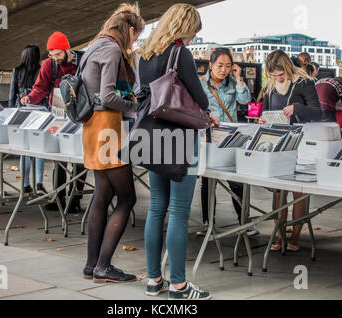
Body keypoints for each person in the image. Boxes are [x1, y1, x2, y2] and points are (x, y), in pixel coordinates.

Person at [138, 3, 211, 300]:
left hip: (152, 134)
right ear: (185, 26)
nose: (194, 37)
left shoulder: (146, 54)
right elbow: (200, 99)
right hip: (180, 136)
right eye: (194, 30)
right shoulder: (181, 54)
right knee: (179, 212)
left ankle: (153, 280)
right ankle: (179, 286)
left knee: (156, 208)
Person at [80, 3, 144, 283]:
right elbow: (107, 96)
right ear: (130, 30)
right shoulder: (112, 48)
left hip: (92, 127)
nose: (135, 41)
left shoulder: (94, 46)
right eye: (137, 36)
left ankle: (91, 264)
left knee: (102, 195)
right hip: (108, 128)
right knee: (127, 197)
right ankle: (104, 267)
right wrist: (134, 104)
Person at [259, 49, 321, 252]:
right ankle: (279, 235)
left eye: (281, 75)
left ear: (287, 68)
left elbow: (318, 113)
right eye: (274, 76)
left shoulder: (303, 83)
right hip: (279, 143)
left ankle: (295, 236)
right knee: (278, 192)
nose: (278, 78)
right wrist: (263, 118)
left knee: (298, 192)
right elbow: (265, 111)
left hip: (301, 143)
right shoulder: (270, 86)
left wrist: (297, 108)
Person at [20, 31, 86, 213]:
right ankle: (58, 196)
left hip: (80, 114)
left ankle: (75, 199)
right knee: (59, 158)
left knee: (79, 159)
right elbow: (40, 87)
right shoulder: (50, 64)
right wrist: (30, 98)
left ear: (66, 49)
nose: (55, 58)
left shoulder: (83, 61)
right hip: (58, 114)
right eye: (52, 55)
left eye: (58, 54)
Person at [198, 47, 259, 236]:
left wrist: (239, 78)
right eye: (219, 65)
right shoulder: (200, 83)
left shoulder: (233, 82)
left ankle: (244, 222)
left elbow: (245, 99)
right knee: (208, 181)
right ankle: (208, 223)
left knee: (236, 181)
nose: (223, 70)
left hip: (231, 136)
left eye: (227, 66)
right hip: (208, 136)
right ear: (210, 65)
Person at [9, 45, 48, 195]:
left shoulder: (16, 71)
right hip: (39, 114)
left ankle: (25, 185)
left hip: (21, 115)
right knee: (39, 150)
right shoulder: (41, 71)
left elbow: (12, 96)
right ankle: (39, 183)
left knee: (23, 150)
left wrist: (12, 114)